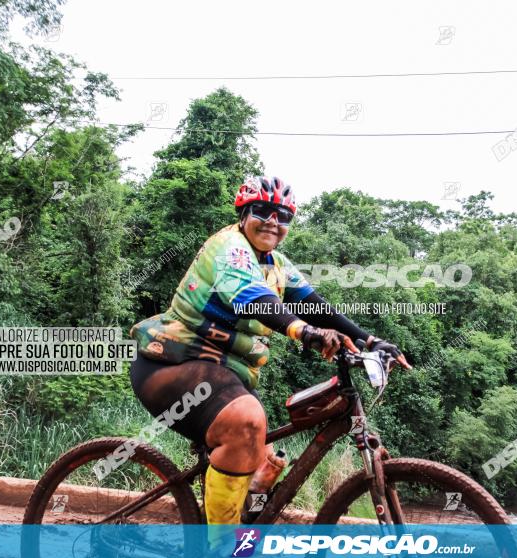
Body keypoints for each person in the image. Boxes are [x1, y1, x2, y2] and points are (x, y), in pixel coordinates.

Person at [129, 175, 410, 527]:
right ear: (244, 213)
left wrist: (370, 341)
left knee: (264, 462)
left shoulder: (275, 263)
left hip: (225, 372)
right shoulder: (230, 246)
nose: (273, 222)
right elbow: (253, 300)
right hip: (174, 360)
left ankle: (221, 529)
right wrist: (304, 332)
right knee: (246, 422)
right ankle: (216, 555)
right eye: (263, 211)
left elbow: (315, 306)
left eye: (283, 216)